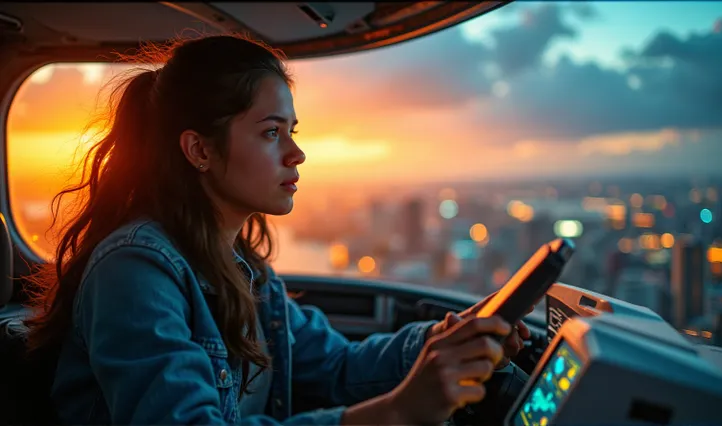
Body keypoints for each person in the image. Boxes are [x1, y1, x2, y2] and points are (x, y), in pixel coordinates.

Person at [24, 34, 531, 425]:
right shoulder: (134, 271)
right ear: (199, 150)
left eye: (292, 132)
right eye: (271, 133)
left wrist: (444, 340)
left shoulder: (244, 272)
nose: (296, 154)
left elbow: (338, 368)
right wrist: (396, 413)